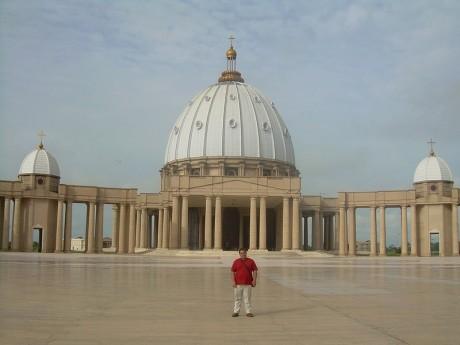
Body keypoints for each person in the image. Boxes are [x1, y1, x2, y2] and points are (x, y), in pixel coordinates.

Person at [231, 248, 258, 317]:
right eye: (241, 253)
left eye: (244, 253)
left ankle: (248, 312)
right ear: (239, 254)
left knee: (247, 298)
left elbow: (255, 270)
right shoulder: (236, 261)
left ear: (246, 253)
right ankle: (236, 311)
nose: (243, 254)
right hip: (238, 284)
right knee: (237, 298)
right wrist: (233, 281)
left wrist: (254, 280)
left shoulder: (251, 261)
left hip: (248, 283)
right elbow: (232, 271)